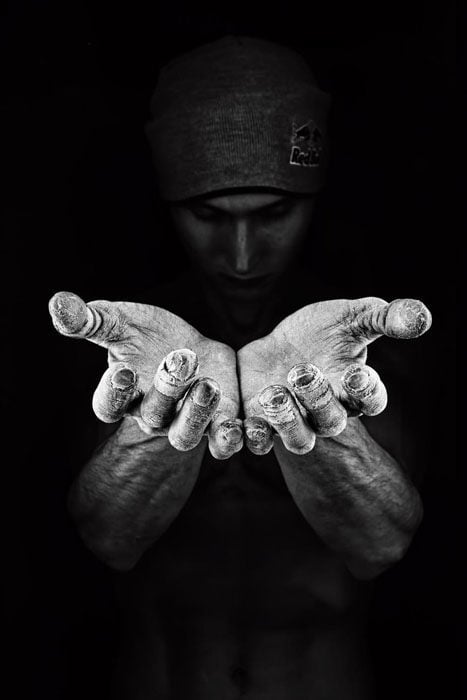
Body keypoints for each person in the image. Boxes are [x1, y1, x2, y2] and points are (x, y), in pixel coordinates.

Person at [48, 36, 432, 700]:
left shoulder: (360, 348)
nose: (244, 256)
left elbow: (381, 544)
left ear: (313, 200)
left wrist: (316, 419)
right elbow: (106, 539)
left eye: (274, 214)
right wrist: (162, 420)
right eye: (208, 216)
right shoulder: (130, 349)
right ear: (170, 207)